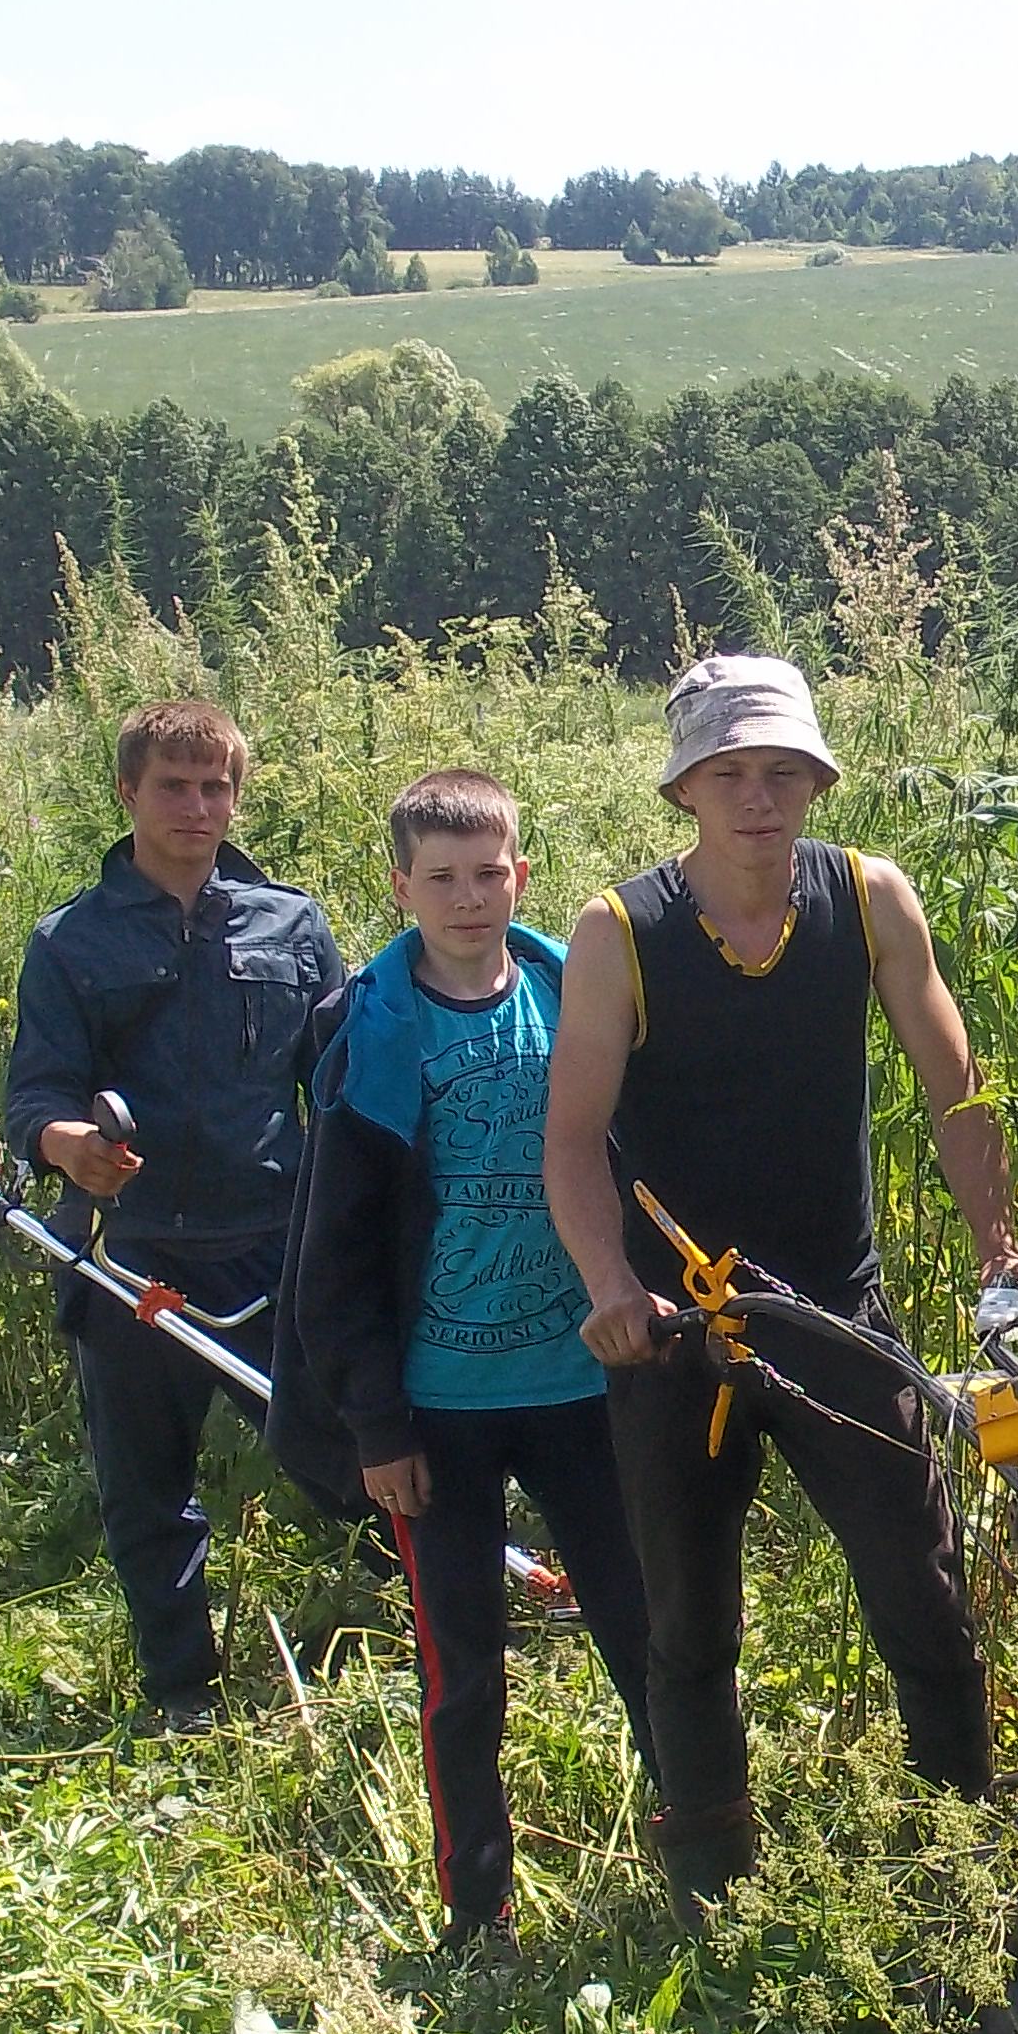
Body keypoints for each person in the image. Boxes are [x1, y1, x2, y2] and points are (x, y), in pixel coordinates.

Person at [547, 654, 1018, 1914]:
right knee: (688, 1626)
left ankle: (961, 1874)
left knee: (921, 1596)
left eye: (783, 771)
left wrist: (999, 1249)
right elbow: (569, 1139)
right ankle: (714, 1902)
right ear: (684, 788)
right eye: (728, 773)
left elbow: (956, 1089)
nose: (758, 798)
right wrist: (610, 1285)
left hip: (836, 1313)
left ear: (818, 781)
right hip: (675, 1330)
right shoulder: (620, 934)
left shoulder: (869, 900)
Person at [286, 769, 655, 1967]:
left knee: (642, 1628)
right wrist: (376, 1426)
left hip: (579, 1386)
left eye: (488, 873)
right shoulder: (372, 1034)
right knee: (464, 1670)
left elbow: (638, 1166)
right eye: (440, 877)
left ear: (520, 876)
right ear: (400, 887)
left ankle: (697, 1855)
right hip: (438, 1410)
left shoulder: (569, 995)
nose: (467, 897)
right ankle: (476, 1915)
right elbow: (334, 1257)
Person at [6, 698, 343, 1733]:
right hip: (129, 1254)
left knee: (349, 1454)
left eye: (215, 787)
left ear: (236, 796)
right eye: (173, 787)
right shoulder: (70, 941)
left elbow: (340, 1087)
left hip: (273, 1249)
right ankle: (182, 1691)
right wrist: (68, 1145)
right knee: (147, 1489)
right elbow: (32, 1098)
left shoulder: (291, 925)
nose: (196, 806)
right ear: (127, 792)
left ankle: (433, 1623)